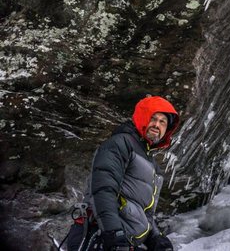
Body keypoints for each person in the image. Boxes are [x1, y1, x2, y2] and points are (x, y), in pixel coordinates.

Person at [63, 96, 180, 251]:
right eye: (153, 118)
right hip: (100, 236)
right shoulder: (120, 143)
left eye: (162, 122)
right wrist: (113, 232)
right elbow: (103, 189)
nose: (157, 125)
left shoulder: (153, 166)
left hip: (125, 241)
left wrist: (156, 239)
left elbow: (146, 213)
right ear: (142, 116)